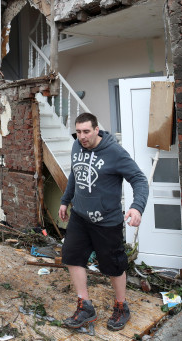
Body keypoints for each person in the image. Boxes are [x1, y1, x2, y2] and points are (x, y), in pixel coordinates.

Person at [58, 112, 149, 331]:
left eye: (86, 131)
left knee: (114, 266)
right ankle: (85, 306)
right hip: (80, 216)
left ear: (97, 130)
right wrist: (65, 200)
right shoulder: (77, 146)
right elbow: (75, 174)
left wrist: (137, 207)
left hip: (106, 221)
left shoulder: (115, 152)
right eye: (78, 132)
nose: (82, 136)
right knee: (71, 256)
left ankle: (121, 306)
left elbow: (139, 179)